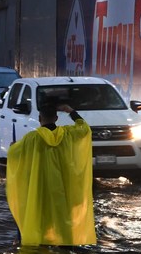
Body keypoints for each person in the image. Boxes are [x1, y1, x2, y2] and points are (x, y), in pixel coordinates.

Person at [6, 103, 95, 246]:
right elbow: (84, 128)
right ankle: (66, 245)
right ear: (56, 118)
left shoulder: (32, 138)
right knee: (62, 219)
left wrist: (12, 147)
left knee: (40, 217)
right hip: (62, 187)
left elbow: (14, 154)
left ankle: (39, 245)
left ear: (40, 118)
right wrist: (71, 111)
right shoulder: (68, 134)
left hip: (40, 187)